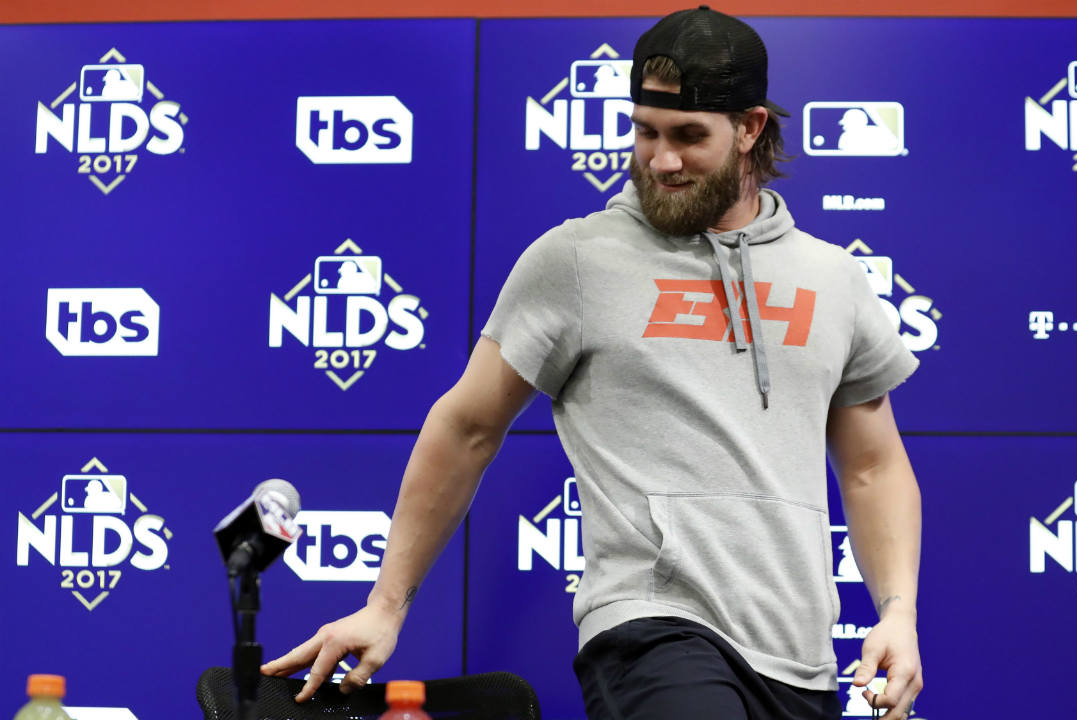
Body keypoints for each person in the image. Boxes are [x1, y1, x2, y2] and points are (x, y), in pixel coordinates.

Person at [262, 7, 925, 719]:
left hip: (800, 656)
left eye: (688, 136)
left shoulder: (833, 279)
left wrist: (898, 615)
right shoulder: (577, 260)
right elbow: (466, 427)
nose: (661, 160)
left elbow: (872, 467)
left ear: (751, 128)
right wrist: (385, 607)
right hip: (651, 630)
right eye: (646, 132)